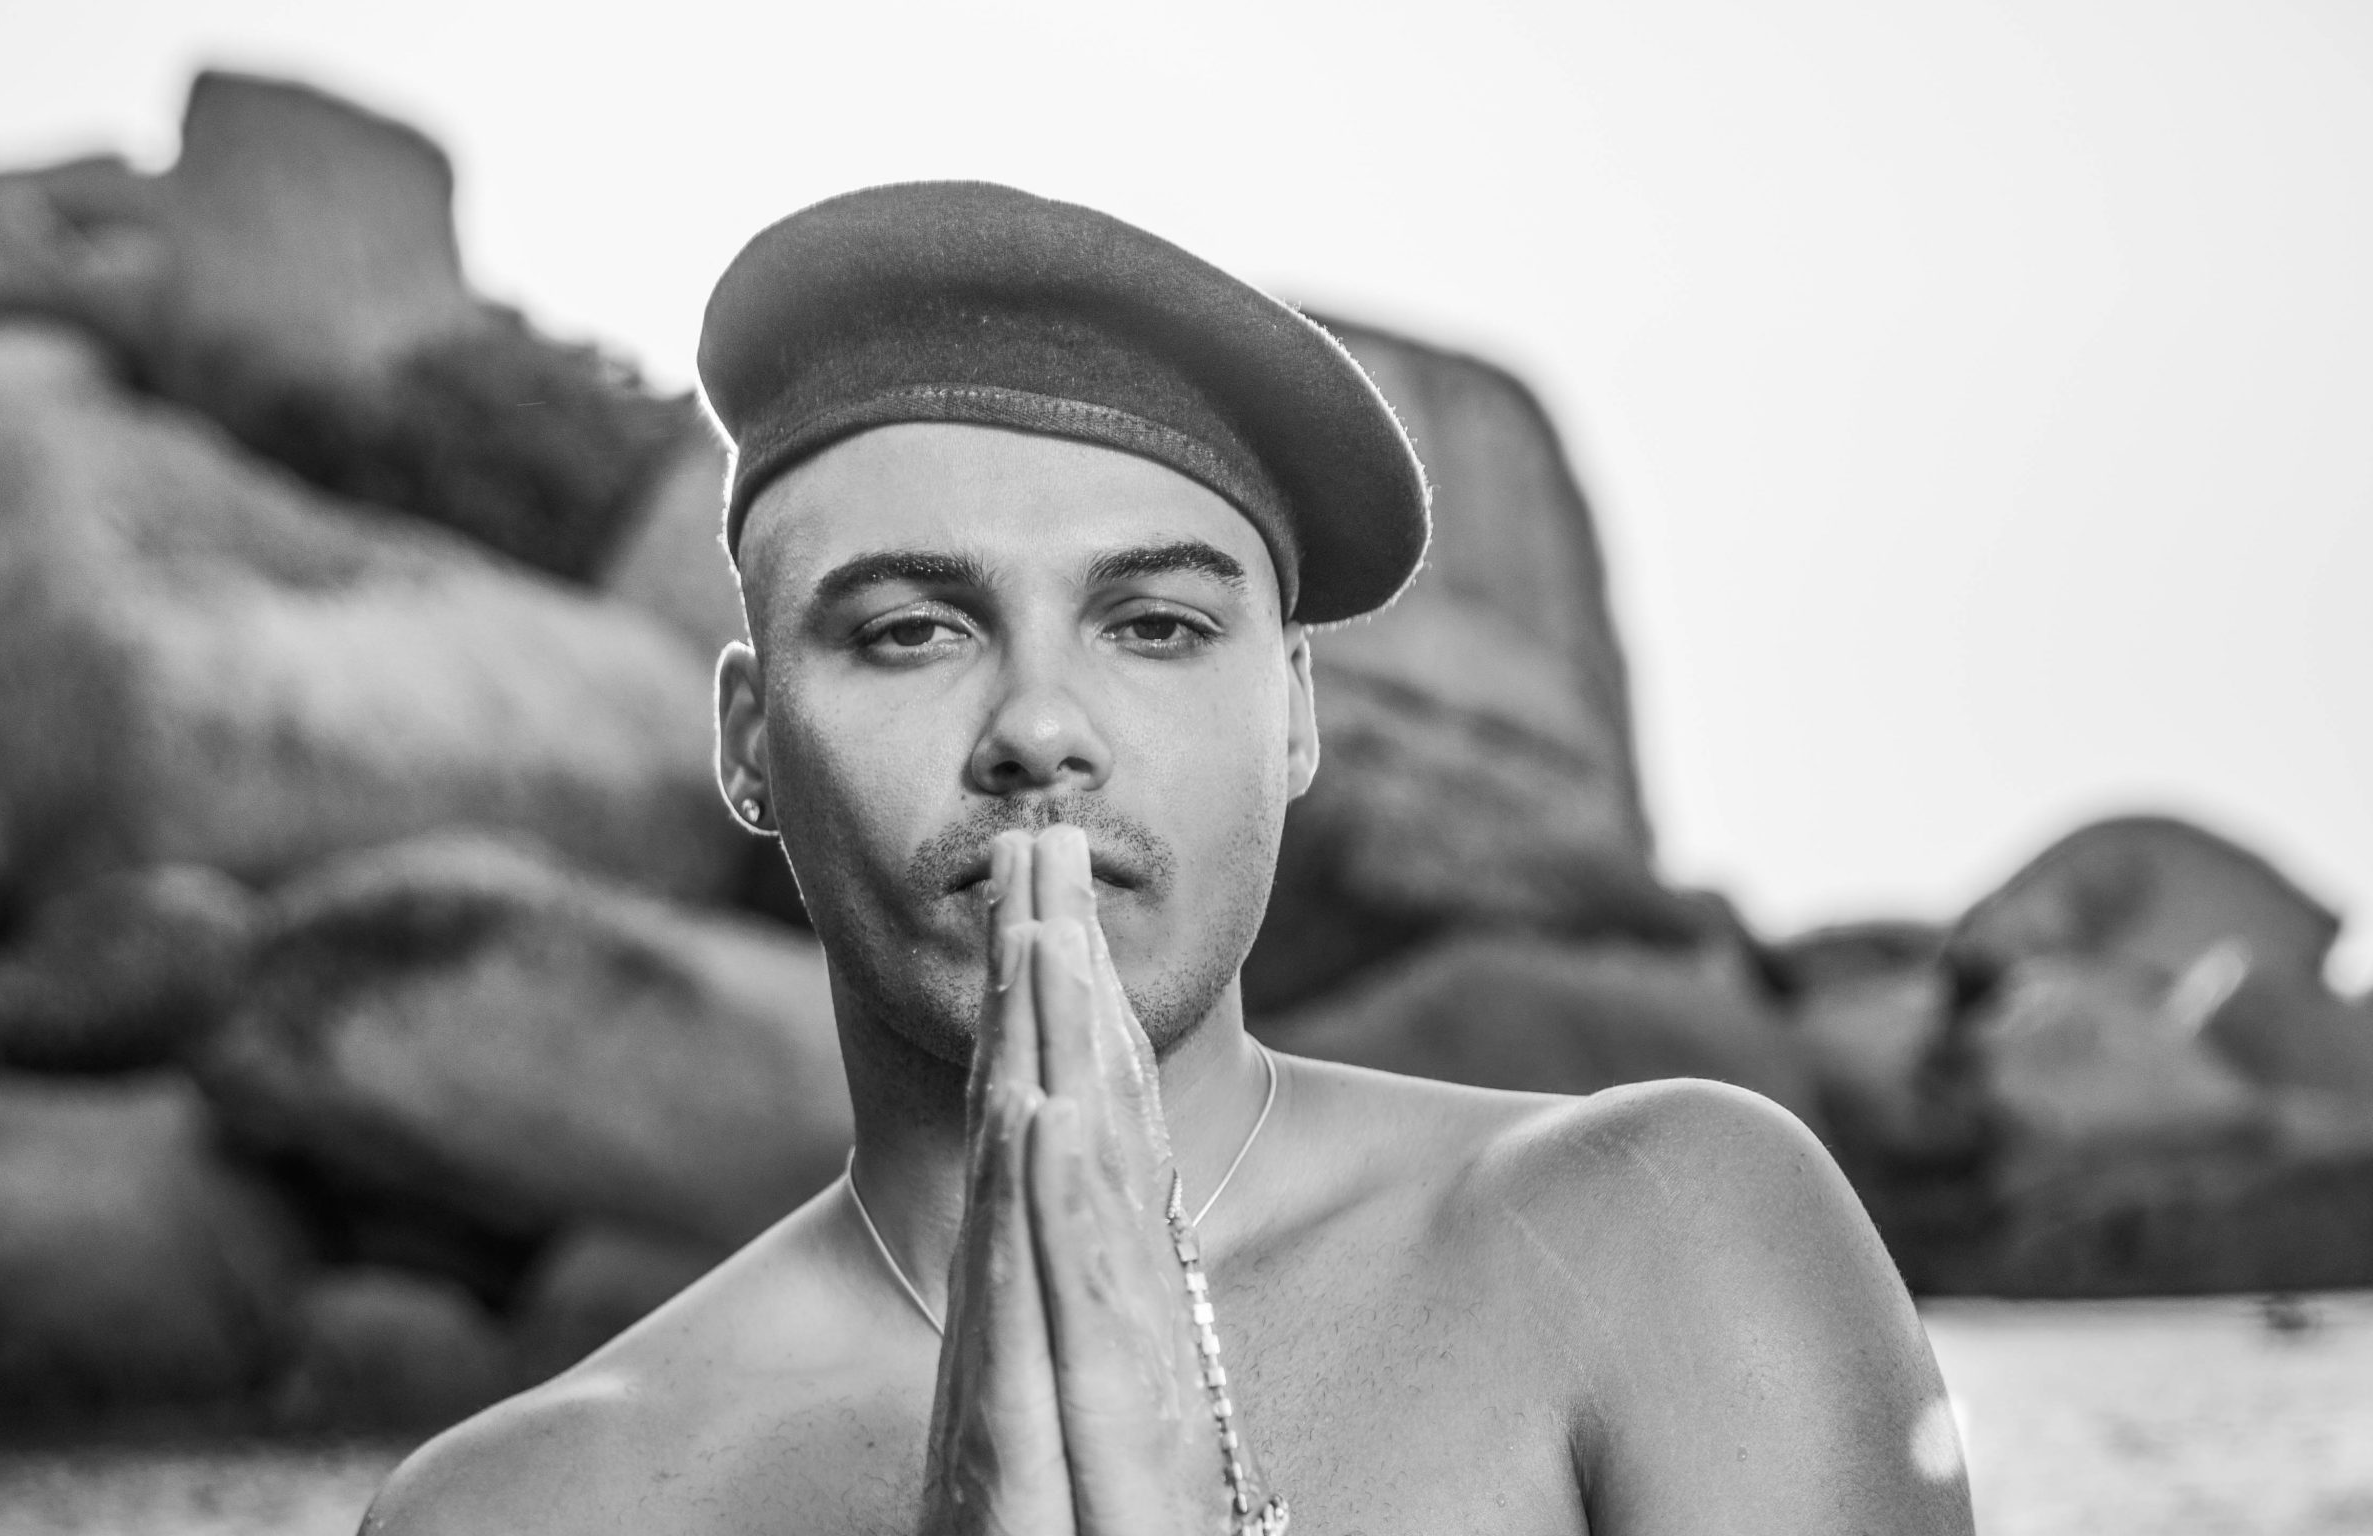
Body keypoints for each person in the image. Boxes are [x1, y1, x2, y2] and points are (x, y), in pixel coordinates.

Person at [363, 181, 1975, 1535]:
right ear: (749, 745)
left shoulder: (1667, 1245)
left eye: (1153, 624)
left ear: (1295, 713)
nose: (1039, 727)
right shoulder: (521, 1510)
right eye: (912, 630)